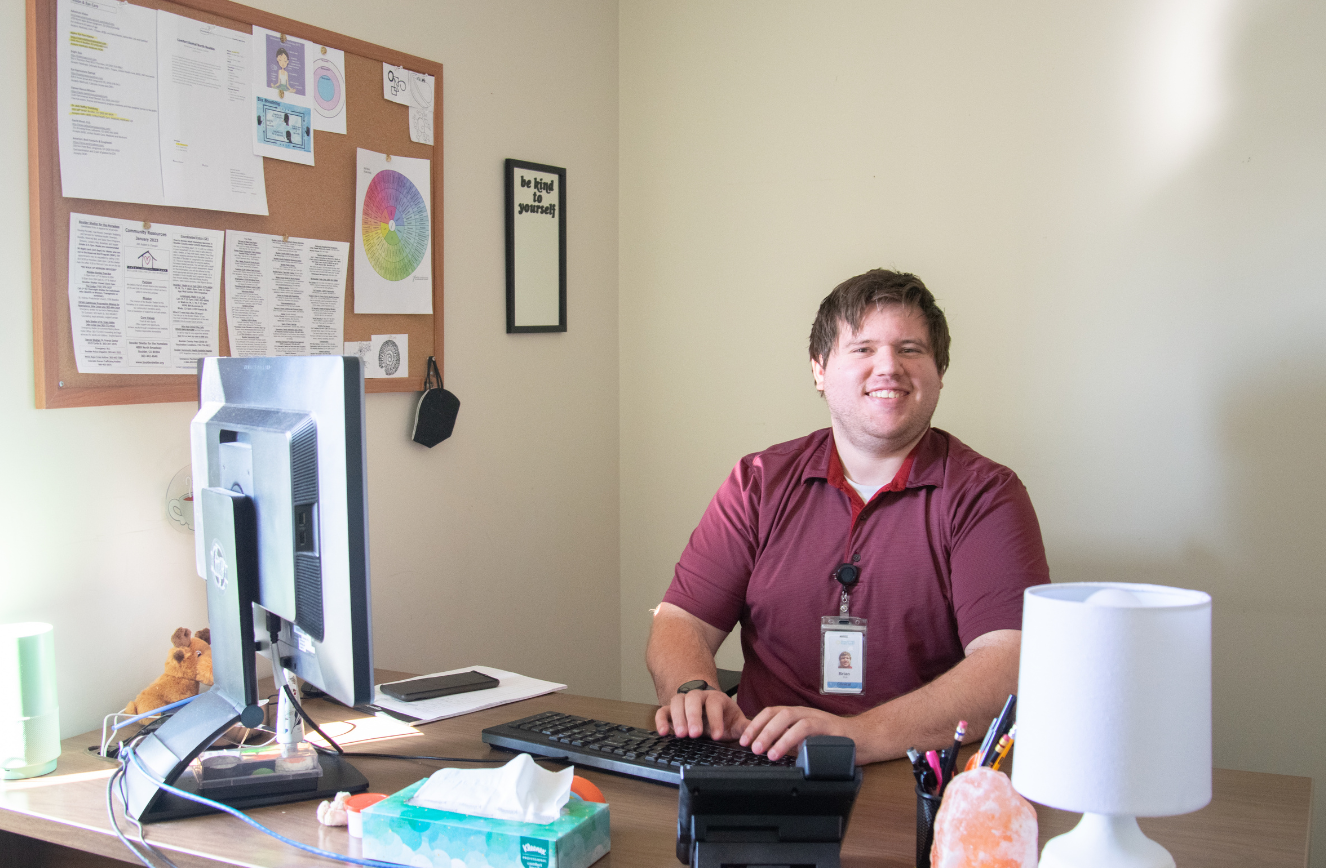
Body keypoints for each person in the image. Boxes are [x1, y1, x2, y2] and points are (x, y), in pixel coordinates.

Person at [645, 269, 1049, 765]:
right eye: (862, 349)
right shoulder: (759, 481)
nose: (889, 368)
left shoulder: (987, 495)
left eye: (911, 349)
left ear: (939, 372)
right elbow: (681, 621)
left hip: (912, 773)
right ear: (819, 369)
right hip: (759, 762)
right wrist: (694, 690)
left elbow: (1008, 665)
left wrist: (854, 736)